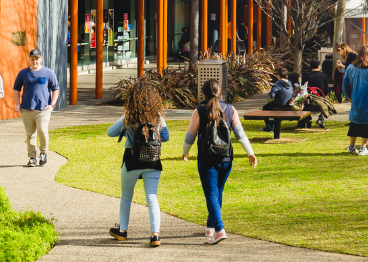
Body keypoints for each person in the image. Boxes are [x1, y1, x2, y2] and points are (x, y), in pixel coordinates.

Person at [182, 79, 257, 244]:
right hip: (226, 158)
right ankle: (210, 226)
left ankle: (219, 229)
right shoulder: (230, 109)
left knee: (211, 194)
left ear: (203, 93)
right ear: (220, 92)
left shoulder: (200, 111)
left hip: (207, 159)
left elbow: (190, 136)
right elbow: (240, 134)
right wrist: (250, 153)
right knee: (218, 191)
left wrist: (185, 151)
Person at [107, 82, 169, 248]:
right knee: (152, 196)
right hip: (153, 160)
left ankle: (123, 230)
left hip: (132, 160)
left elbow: (110, 132)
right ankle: (155, 234)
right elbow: (166, 136)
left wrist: (128, 130)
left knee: (126, 196)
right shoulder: (157, 116)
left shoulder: (129, 117)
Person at [12, 48, 59, 167]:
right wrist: (17, 104)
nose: (35, 61)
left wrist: (52, 104)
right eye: (32, 59)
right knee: (30, 134)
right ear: (29, 59)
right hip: (27, 109)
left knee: (42, 131)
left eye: (37, 59)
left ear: (41, 59)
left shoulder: (48, 72)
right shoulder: (23, 73)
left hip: (43, 109)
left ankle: (43, 153)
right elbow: (16, 89)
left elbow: (55, 89)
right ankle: (32, 157)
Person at [342, 44, 368, 155]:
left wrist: (349, 95)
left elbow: (345, 83)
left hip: (355, 99)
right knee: (366, 123)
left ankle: (351, 146)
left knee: (355, 122)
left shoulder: (350, 67)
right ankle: (363, 148)